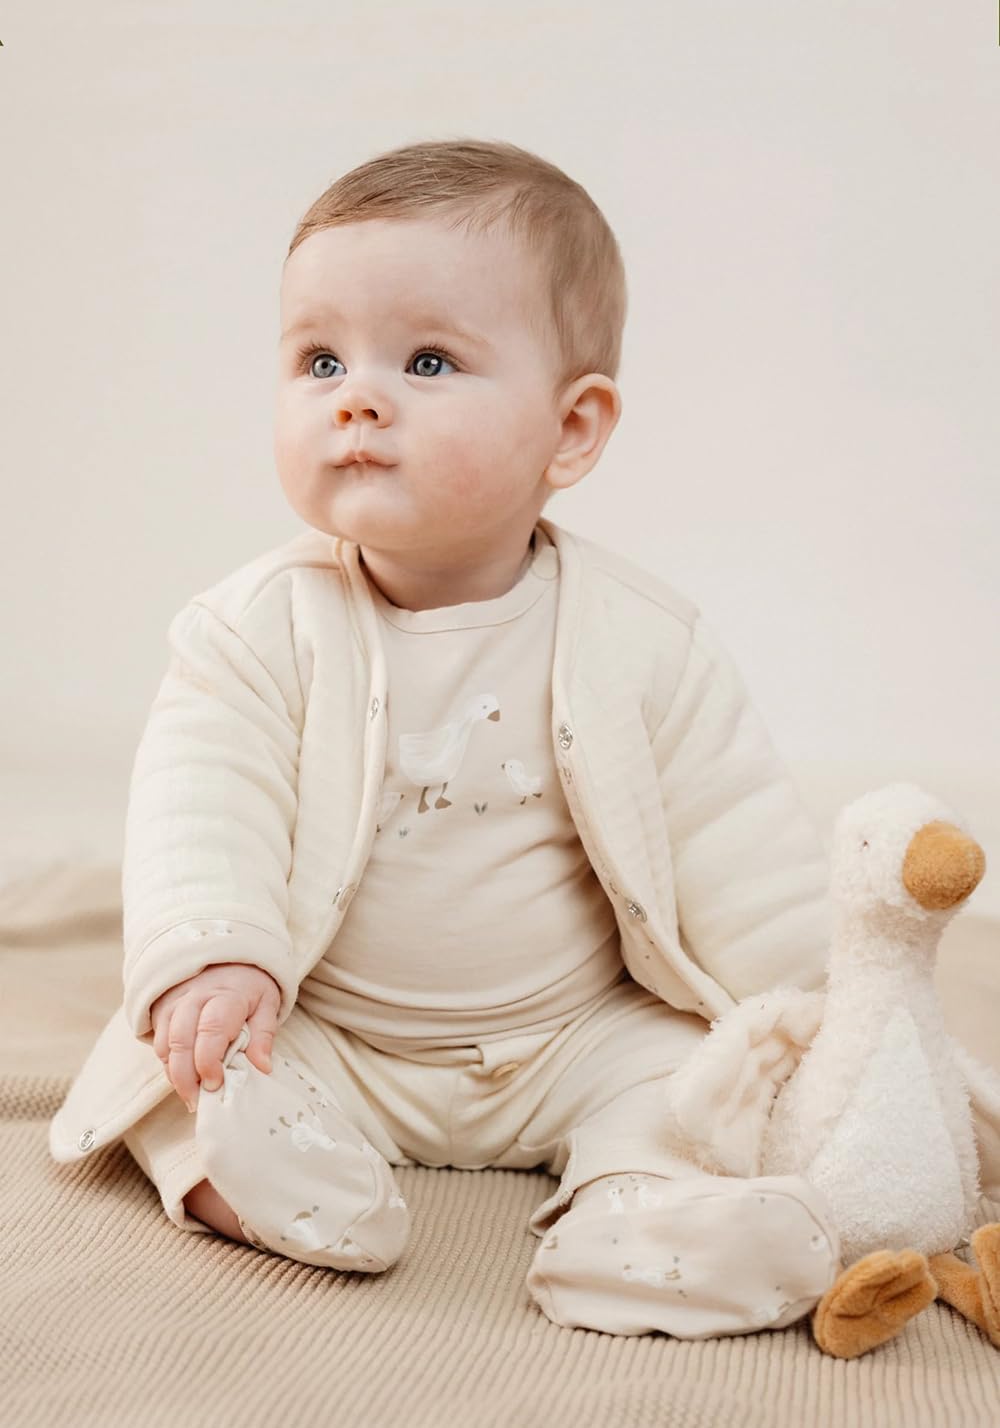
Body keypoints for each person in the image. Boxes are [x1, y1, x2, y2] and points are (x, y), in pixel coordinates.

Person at [50, 136, 965, 1339]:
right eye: (319, 359)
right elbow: (200, 801)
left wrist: (825, 1025)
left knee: (684, 1087)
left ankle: (642, 1225)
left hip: (573, 1033)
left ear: (570, 429)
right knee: (186, 1062)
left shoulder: (644, 643)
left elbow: (735, 844)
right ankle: (273, 1175)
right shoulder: (255, 630)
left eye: (426, 361)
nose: (355, 397)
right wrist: (219, 956)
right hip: (331, 1023)